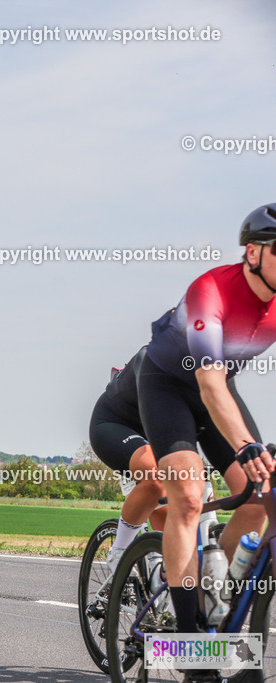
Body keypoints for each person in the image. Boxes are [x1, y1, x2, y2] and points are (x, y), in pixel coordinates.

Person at [137, 204, 276, 647]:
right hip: (169, 387)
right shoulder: (211, 290)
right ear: (252, 253)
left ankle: (216, 599)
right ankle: (188, 639)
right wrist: (246, 445)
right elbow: (210, 382)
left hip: (219, 391)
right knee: (189, 497)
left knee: (259, 499)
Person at [88, 347, 167, 587]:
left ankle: (159, 575)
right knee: (155, 478)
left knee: (167, 510)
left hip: (154, 432)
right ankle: (120, 552)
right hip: (114, 424)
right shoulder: (153, 357)